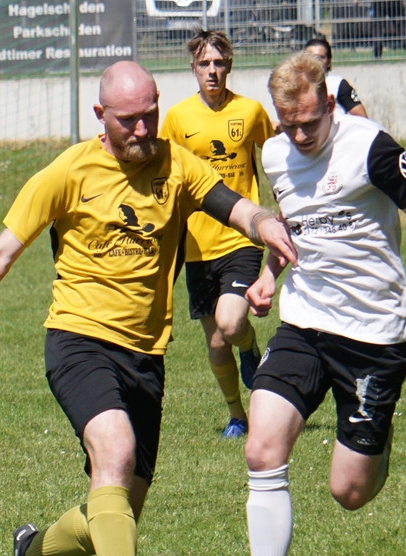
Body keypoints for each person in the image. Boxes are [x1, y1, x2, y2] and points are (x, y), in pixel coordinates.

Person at [0, 61, 296, 556]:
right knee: (115, 450)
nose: (143, 130)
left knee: (116, 515)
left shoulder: (176, 164)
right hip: (78, 340)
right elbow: (1, 252)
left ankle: (30, 551)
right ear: (100, 116)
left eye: (150, 115)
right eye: (129, 120)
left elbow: (234, 206)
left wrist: (264, 225)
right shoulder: (70, 171)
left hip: (146, 355)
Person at [236, 52, 406, 556]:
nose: (300, 136)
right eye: (288, 125)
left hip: (373, 335)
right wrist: (269, 274)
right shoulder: (275, 154)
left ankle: (377, 441)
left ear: (330, 104)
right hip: (304, 323)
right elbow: (292, 223)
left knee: (349, 491)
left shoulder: (370, 148)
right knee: (262, 447)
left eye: (310, 122)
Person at [159, 31, 275, 440]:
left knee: (231, 321)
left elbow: (277, 157)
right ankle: (237, 416)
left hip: (240, 238)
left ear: (230, 67)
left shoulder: (251, 110)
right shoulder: (177, 119)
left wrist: (284, 204)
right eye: (205, 64)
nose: (212, 71)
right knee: (215, 344)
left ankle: (249, 345)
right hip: (196, 245)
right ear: (193, 68)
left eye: (219, 63)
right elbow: (165, 176)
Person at [303, 35, 369, 118]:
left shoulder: (338, 84)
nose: (314, 61)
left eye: (320, 58)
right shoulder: (295, 84)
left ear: (328, 62)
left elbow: (362, 117)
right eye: (310, 57)